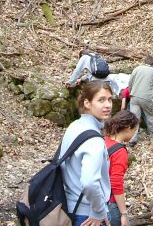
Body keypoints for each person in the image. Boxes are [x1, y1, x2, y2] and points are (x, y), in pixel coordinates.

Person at [60, 81, 113, 226]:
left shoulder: (74, 126)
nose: (107, 105)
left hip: (69, 207)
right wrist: (99, 211)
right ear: (87, 103)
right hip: (87, 215)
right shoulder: (94, 139)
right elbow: (89, 181)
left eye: (109, 99)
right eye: (101, 100)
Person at [104, 110, 140, 226]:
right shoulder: (120, 151)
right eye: (134, 131)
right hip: (110, 202)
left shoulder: (103, 140)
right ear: (129, 128)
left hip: (97, 200)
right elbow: (116, 182)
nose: (134, 134)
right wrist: (123, 213)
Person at [128, 55, 153, 146]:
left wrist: (132, 92)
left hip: (134, 96)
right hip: (146, 97)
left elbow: (130, 83)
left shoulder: (136, 69)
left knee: (134, 118)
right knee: (149, 115)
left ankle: (132, 139)